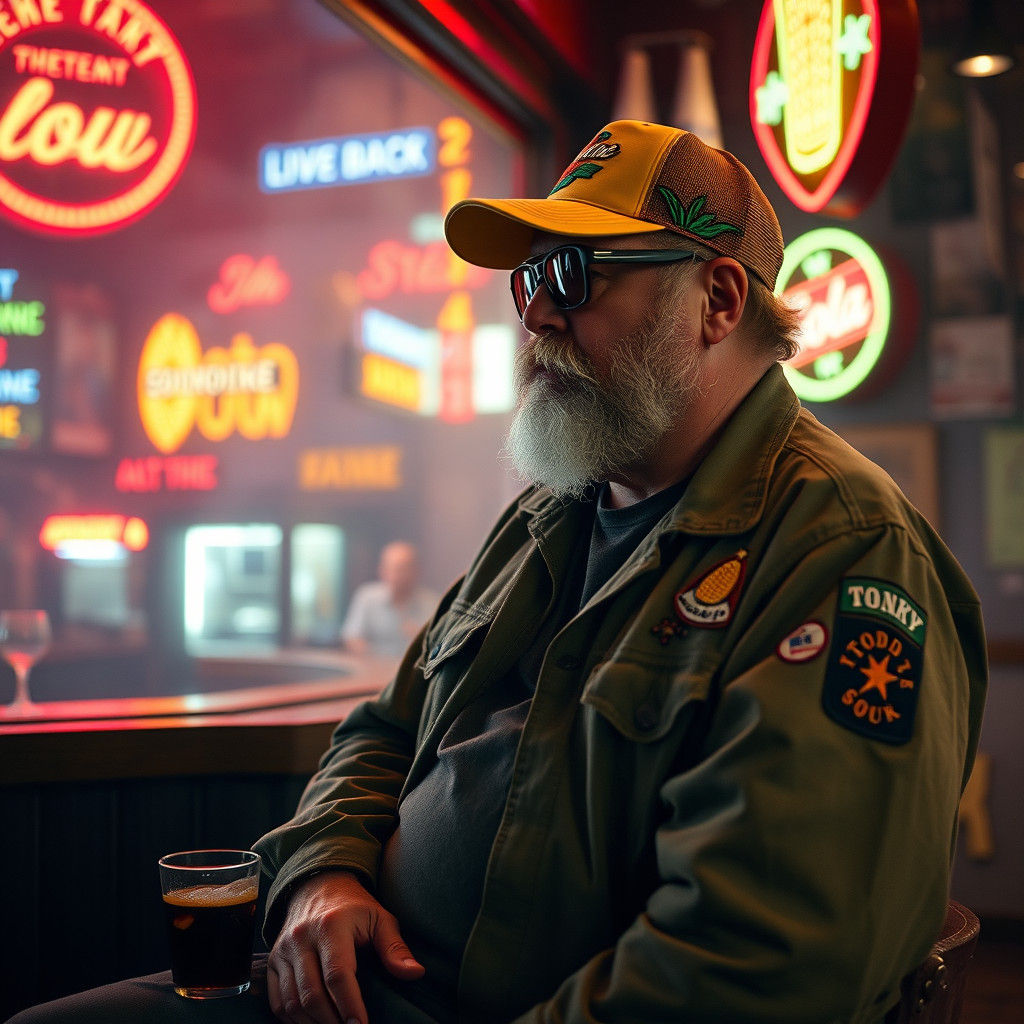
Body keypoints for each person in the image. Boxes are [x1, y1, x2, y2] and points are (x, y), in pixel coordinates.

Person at [7, 120, 987, 1024]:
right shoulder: (551, 511)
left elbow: (759, 960)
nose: (535, 318)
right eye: (524, 282)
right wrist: (324, 874)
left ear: (718, 300)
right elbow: (383, 729)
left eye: (570, 274)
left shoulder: (838, 548)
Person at [340, 542, 438, 659]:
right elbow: (352, 637)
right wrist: (375, 658)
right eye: (396, 568)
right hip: (374, 670)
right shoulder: (367, 597)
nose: (401, 575)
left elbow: (440, 646)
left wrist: (422, 639)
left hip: (416, 672)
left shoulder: (432, 603)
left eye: (406, 568)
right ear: (382, 570)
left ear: (417, 570)